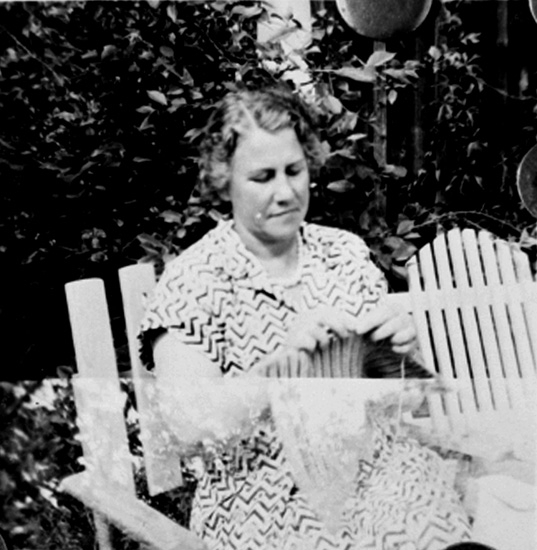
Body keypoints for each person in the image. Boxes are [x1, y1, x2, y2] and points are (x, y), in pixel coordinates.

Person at [139, 86, 471, 550]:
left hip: (379, 475)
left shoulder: (344, 254)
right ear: (225, 181)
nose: (285, 192)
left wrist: (397, 355)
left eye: (294, 171)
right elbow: (189, 428)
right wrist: (282, 365)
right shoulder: (195, 281)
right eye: (262, 177)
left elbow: (399, 400)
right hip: (264, 501)